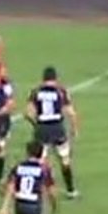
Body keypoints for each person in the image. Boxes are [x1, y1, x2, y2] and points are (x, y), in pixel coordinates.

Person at [26, 66, 79, 199]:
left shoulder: (36, 91)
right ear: (55, 78)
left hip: (42, 128)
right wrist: (74, 129)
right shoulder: (61, 91)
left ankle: (38, 190)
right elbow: (71, 113)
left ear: (43, 78)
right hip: (57, 128)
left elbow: (28, 113)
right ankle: (71, 190)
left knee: (40, 160)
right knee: (64, 159)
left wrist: (36, 124)